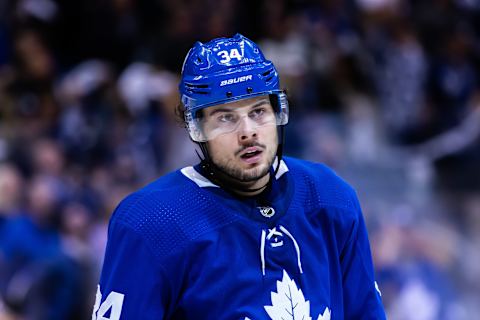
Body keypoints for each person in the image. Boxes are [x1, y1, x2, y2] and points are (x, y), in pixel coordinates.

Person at [93, 34, 386, 320]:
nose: (248, 132)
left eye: (258, 111)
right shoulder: (150, 221)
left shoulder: (330, 197)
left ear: (278, 112)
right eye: (225, 117)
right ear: (196, 128)